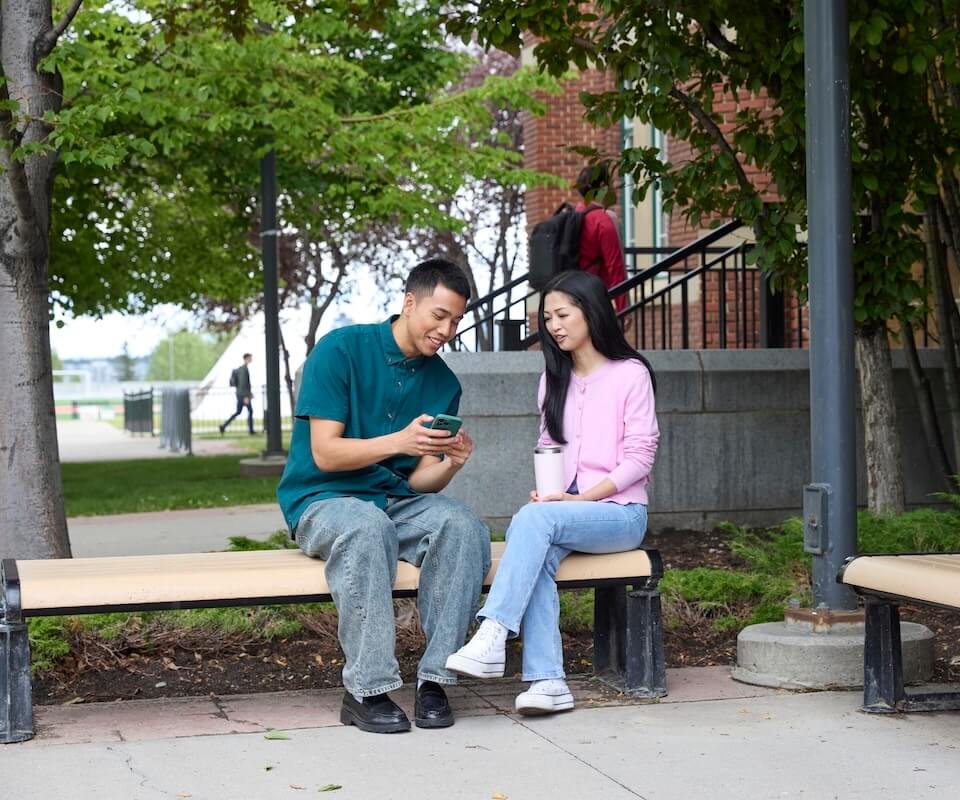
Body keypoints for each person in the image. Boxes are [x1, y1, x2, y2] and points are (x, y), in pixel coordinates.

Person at [277, 258, 491, 734]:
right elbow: (326, 454)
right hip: (322, 498)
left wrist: (452, 463)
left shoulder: (444, 383)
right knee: (366, 526)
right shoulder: (340, 351)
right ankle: (366, 690)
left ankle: (436, 680)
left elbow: (416, 482)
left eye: (456, 320)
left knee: (462, 525)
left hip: (392, 500)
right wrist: (399, 441)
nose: (447, 329)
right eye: (439, 315)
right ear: (409, 303)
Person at [446, 269, 659, 715]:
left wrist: (580, 500)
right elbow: (550, 448)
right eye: (547, 317)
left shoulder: (630, 374)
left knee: (533, 521)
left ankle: (493, 634)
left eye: (563, 313)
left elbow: (640, 458)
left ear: (592, 311)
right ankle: (548, 681)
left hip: (620, 513)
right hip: (568, 512)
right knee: (536, 541)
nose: (554, 325)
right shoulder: (553, 380)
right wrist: (551, 492)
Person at [575, 163, 628, 312]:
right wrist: (624, 307)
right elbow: (615, 266)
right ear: (604, 186)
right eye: (611, 183)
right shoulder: (603, 219)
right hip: (598, 299)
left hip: (574, 297)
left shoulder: (575, 215)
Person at [219, 353, 255, 435]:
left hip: (241, 394)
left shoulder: (243, 369)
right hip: (242, 395)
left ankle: (224, 426)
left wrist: (249, 394)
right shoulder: (243, 370)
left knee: (239, 412)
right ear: (246, 358)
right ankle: (251, 430)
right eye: (250, 358)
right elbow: (243, 384)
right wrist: (246, 396)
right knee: (249, 411)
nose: (251, 359)